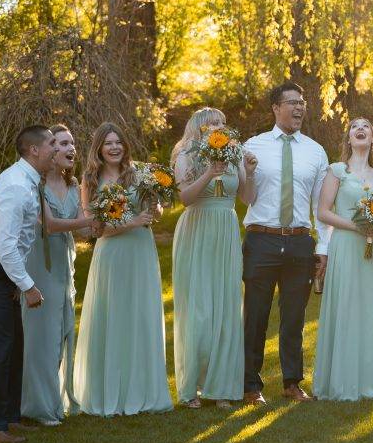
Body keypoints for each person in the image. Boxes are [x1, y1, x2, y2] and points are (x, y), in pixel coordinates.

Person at [73, 122, 173, 416]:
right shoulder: (90, 180)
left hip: (141, 252)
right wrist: (132, 222)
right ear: (99, 149)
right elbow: (96, 229)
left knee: (141, 315)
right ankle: (111, 393)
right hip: (112, 256)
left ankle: (142, 390)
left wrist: (156, 210)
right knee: (114, 317)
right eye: (108, 143)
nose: (115, 147)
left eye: (118, 142)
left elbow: (154, 209)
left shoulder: (139, 173)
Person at [241, 82, 331, 405]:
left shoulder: (315, 151)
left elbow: (322, 207)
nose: (299, 108)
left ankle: (292, 383)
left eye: (302, 102)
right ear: (276, 108)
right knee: (256, 316)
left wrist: (323, 248)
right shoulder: (253, 146)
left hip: (299, 244)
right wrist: (248, 173)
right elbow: (246, 198)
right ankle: (250, 385)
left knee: (294, 317)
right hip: (261, 240)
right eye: (292, 102)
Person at [0, 126, 55, 443]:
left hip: (0, 268)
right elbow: (5, 246)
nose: (55, 149)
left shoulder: (27, 180)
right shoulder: (17, 187)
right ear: (34, 150)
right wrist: (29, 286)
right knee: (0, 347)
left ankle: (7, 419)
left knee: (14, 345)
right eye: (51, 144)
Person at [171, 108, 256, 409]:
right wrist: (210, 171)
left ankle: (221, 388)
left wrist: (250, 170)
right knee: (198, 309)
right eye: (212, 123)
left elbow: (247, 198)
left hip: (226, 229)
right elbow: (184, 199)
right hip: (198, 229)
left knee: (226, 306)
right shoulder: (186, 155)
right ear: (198, 128)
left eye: (222, 122)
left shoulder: (235, 153)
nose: (219, 126)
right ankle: (191, 387)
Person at [313, 118, 373, 401]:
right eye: (354, 126)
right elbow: (323, 212)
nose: (360, 129)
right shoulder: (337, 171)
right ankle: (341, 381)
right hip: (346, 245)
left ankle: (370, 382)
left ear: (372, 138)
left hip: (372, 250)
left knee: (369, 308)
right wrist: (355, 226)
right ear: (348, 138)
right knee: (346, 306)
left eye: (366, 127)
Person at [21, 124, 94, 425]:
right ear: (49, 151)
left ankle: (56, 400)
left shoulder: (75, 187)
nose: (70, 149)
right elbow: (48, 225)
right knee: (41, 337)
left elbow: (88, 230)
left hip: (66, 268)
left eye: (73, 143)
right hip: (39, 266)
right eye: (62, 143)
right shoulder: (34, 186)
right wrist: (85, 221)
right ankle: (38, 407)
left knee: (62, 332)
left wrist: (111, 213)